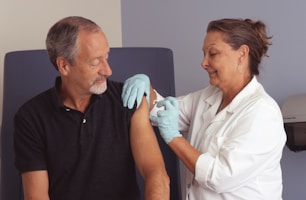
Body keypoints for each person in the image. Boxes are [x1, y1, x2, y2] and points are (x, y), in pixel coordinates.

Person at [122, 18, 287, 199]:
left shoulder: (262, 113)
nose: (203, 63)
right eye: (204, 54)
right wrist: (147, 88)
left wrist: (174, 137)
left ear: (242, 54)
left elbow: (219, 177)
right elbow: (161, 111)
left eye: (213, 54)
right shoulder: (209, 96)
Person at [13, 16, 170, 200]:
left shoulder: (128, 100)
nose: (108, 70)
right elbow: (37, 196)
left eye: (107, 57)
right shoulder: (31, 117)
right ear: (64, 65)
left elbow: (157, 175)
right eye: (95, 62)